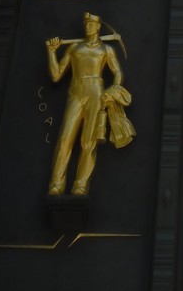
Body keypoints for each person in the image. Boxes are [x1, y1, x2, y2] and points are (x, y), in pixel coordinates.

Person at [45, 12, 133, 197]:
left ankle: (81, 184)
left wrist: (113, 90)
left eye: (91, 24)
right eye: (86, 24)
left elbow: (117, 72)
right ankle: (56, 183)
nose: (88, 27)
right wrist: (52, 52)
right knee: (65, 138)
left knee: (89, 141)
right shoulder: (74, 48)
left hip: (96, 91)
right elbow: (56, 75)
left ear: (98, 27)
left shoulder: (106, 50)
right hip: (75, 92)